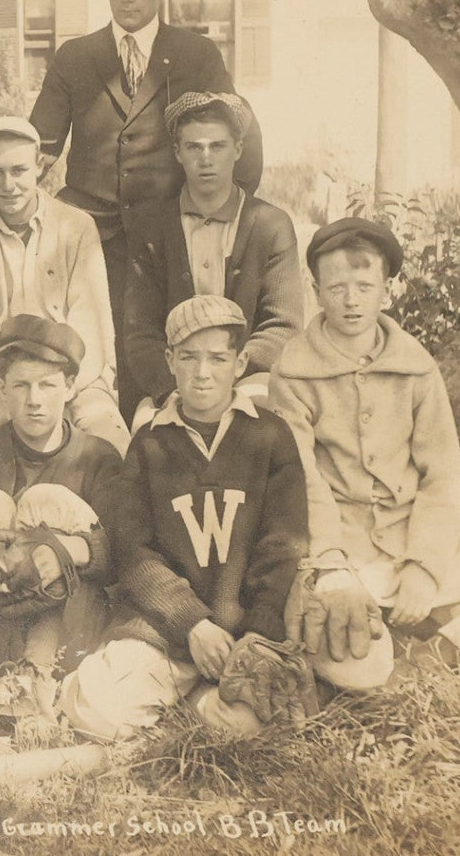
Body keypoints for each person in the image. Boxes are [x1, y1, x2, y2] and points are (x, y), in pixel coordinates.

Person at [269, 218, 460, 687]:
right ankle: (395, 640)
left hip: (414, 529)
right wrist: (330, 565)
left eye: (364, 285)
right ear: (316, 290)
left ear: (386, 289)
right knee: (351, 663)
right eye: (337, 287)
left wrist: (425, 568)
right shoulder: (293, 373)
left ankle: (427, 657)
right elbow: (301, 479)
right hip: (343, 544)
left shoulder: (415, 366)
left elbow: (441, 476)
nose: (351, 300)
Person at [28, 0, 265, 417]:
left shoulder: (196, 55)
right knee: (92, 352)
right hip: (92, 236)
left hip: (168, 234)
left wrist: (218, 212)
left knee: (161, 347)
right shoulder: (76, 57)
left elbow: (243, 140)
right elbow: (38, 149)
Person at [57, 296, 308, 740]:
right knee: (91, 710)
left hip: (244, 632)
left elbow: (282, 543)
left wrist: (256, 634)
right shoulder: (148, 444)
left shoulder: (270, 434)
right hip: (168, 630)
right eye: (188, 358)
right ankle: (188, 698)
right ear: (170, 361)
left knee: (246, 728)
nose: (202, 372)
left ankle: (198, 702)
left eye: (218, 358)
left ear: (242, 361)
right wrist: (191, 622)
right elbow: (134, 551)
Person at [0, 316, 125, 745]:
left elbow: (122, 552)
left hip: (70, 631)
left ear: (70, 388)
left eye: (48, 386)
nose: (35, 400)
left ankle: (36, 685)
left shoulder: (98, 458)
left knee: (43, 505)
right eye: (21, 386)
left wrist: (63, 550)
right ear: (1, 389)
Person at [123, 92, 302, 419]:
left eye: (217, 146)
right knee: (147, 429)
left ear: (237, 150)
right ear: (177, 153)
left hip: (249, 378)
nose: (206, 158)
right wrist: (174, 385)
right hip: (175, 381)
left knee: (260, 426)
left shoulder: (271, 226)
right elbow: (141, 331)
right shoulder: (152, 226)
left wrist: (231, 380)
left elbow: (283, 325)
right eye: (194, 147)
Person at [0, 116, 129, 454]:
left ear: (39, 166)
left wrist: (60, 389)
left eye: (19, 170)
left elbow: (91, 322)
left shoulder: (76, 227)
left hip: (71, 379)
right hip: (2, 381)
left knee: (110, 439)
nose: (9, 185)